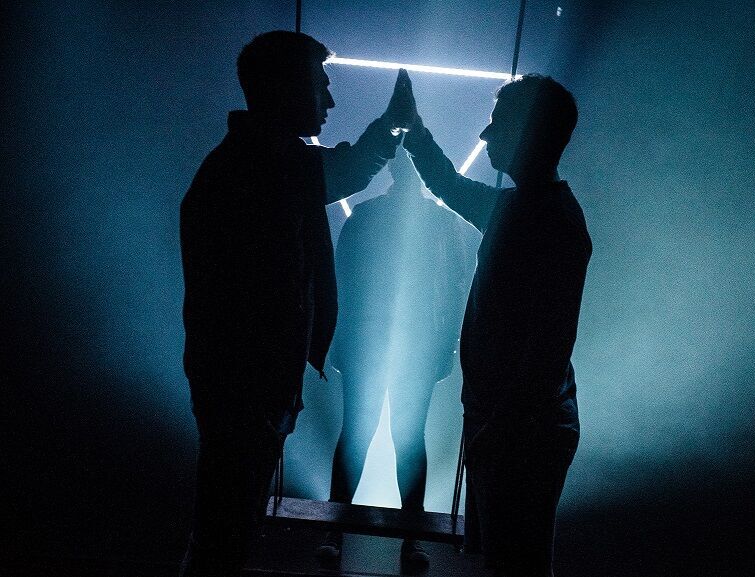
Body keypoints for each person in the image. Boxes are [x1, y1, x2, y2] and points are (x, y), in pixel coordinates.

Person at [178, 30, 413, 577]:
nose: (329, 99)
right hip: (247, 383)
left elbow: (342, 169)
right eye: (319, 84)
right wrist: (390, 126)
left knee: (225, 525)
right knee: (225, 528)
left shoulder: (259, 162)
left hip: (245, 382)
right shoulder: (264, 168)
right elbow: (345, 170)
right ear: (286, 88)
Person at [401, 73, 591, 577]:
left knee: (516, 564)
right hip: (515, 426)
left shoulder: (546, 218)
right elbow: (448, 185)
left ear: (529, 132)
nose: (485, 134)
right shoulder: (535, 210)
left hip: (519, 432)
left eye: (497, 121)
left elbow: (547, 349)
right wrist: (416, 133)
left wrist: (500, 425)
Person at [315, 147, 480, 566]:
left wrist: (337, 341)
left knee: (360, 434)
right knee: (405, 438)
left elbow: (342, 278)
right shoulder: (443, 223)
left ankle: (337, 532)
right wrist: (448, 345)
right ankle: (410, 539)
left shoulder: (366, 215)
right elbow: (456, 286)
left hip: (370, 343)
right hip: (412, 346)